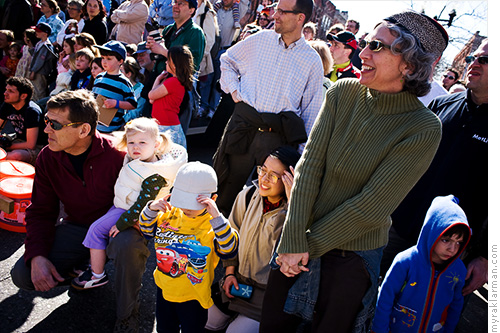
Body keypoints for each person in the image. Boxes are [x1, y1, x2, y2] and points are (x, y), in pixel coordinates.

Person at [259, 10, 447, 333]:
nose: (363, 52)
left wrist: (304, 247)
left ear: (410, 65)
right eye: (366, 43)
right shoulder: (342, 92)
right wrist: (291, 239)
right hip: (297, 239)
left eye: (377, 45)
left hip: (349, 260)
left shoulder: (424, 127)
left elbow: (370, 206)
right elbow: (309, 166)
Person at [9, 89, 149, 332]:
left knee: (128, 245)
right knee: (23, 273)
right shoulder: (47, 157)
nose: (46, 130)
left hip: (118, 228)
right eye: (46, 121)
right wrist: (37, 255)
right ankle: (84, 268)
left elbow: (146, 197)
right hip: (78, 228)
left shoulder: (118, 156)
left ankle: (128, 314)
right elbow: (41, 210)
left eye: (54, 124)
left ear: (84, 130)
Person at [381, 39, 488, 297]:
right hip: (399, 229)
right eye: (474, 56)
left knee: (419, 318)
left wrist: (485, 257)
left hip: (448, 251)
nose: (475, 62)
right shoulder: (444, 104)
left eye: (485, 60)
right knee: (371, 299)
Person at [213, 0, 324, 216]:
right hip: (243, 126)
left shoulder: (312, 61)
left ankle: (248, 246)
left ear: (300, 18)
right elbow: (227, 61)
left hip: (277, 140)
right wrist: (235, 91)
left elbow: (311, 112)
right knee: (223, 192)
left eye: (282, 11)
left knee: (265, 205)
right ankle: (214, 242)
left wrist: (300, 157)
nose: (275, 15)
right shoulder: (261, 39)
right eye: (276, 10)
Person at [72, 117, 187, 289]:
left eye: (142, 142)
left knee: (95, 230)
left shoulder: (154, 174)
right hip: (123, 203)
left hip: (129, 210)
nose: (135, 147)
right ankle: (94, 262)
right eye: (131, 142)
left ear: (156, 145)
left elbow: (143, 204)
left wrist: (122, 223)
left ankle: (97, 275)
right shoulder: (144, 160)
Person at [206, 146, 300, 333]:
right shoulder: (247, 196)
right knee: (206, 321)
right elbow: (231, 239)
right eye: (262, 170)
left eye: (273, 176)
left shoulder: (298, 212)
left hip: (268, 294)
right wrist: (230, 273)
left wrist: (293, 205)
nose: (264, 179)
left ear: (290, 180)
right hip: (237, 283)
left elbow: (292, 248)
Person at [139, 161, 239, 333]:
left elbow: (229, 248)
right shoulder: (169, 212)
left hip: (194, 295)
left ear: (213, 199)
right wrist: (151, 209)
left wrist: (217, 218)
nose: (185, 207)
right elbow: (146, 230)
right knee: (164, 328)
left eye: (192, 202)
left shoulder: (214, 224)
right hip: (165, 289)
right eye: (182, 199)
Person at [372, 195, 471, 333]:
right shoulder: (405, 261)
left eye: (458, 242)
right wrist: (378, 330)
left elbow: (456, 305)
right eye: (446, 240)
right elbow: (385, 298)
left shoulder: (458, 270)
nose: (452, 249)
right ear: (431, 231)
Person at [149, 45, 194, 149]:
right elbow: (152, 99)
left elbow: (151, 95)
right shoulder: (172, 81)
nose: (165, 62)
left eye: (168, 60)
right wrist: (159, 80)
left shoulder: (173, 82)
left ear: (174, 65)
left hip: (166, 127)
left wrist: (157, 80)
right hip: (165, 125)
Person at [93, 40, 137, 133]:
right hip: (95, 127)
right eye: (102, 58)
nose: (104, 62)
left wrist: (116, 103)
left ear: (120, 61)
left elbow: (133, 104)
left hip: (113, 130)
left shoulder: (123, 82)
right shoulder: (99, 77)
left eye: (109, 59)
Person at [0, 77, 46, 163]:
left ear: (23, 96)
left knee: (14, 156)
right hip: (17, 141)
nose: (5, 93)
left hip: (38, 147)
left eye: (10, 91)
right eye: (6, 90)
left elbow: (31, 144)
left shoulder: (32, 111)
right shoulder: (8, 105)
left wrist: (6, 147)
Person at [29, 23, 58, 101]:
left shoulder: (46, 46)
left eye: (38, 31)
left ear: (45, 34)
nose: (36, 33)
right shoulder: (39, 43)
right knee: (34, 90)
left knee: (39, 91)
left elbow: (40, 61)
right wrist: (31, 48)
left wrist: (33, 72)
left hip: (40, 72)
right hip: (37, 71)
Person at [121, 57, 147, 122]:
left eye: (121, 71)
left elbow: (136, 113)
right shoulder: (118, 87)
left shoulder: (140, 91)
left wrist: (121, 120)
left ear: (128, 74)